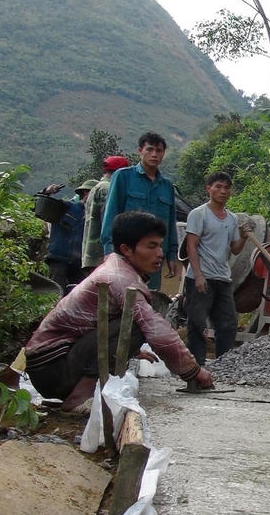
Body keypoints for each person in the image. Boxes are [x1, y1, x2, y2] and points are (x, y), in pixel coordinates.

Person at [24, 211, 214, 411]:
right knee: (137, 325)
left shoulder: (116, 268)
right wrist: (193, 371)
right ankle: (81, 397)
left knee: (135, 325)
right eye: (151, 246)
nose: (159, 253)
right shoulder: (119, 278)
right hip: (52, 369)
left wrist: (130, 348)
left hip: (49, 367)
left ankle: (85, 390)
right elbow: (158, 332)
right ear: (126, 249)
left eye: (159, 245)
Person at [183, 171, 253, 364]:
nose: (223, 191)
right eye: (218, 187)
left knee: (228, 324)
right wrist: (198, 275)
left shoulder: (231, 219)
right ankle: (196, 365)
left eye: (227, 188)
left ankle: (224, 364)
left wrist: (244, 236)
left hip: (222, 277)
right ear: (209, 189)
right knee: (197, 323)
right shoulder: (198, 214)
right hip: (201, 277)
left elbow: (235, 249)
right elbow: (191, 245)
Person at [100, 132, 178, 289]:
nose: (154, 154)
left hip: (153, 257)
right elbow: (111, 216)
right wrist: (109, 252)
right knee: (122, 300)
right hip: (127, 254)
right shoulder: (123, 177)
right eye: (149, 149)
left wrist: (171, 254)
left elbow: (170, 223)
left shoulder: (167, 186)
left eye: (159, 151)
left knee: (149, 302)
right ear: (140, 151)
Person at [43, 180, 93, 293]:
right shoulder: (66, 207)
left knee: (78, 296)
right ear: (86, 193)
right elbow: (38, 206)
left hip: (79, 263)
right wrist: (46, 192)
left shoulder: (95, 216)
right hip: (58, 259)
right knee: (55, 293)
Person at [82, 155, 131, 271]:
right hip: (102, 254)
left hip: (92, 253)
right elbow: (109, 221)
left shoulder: (96, 187)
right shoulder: (107, 189)